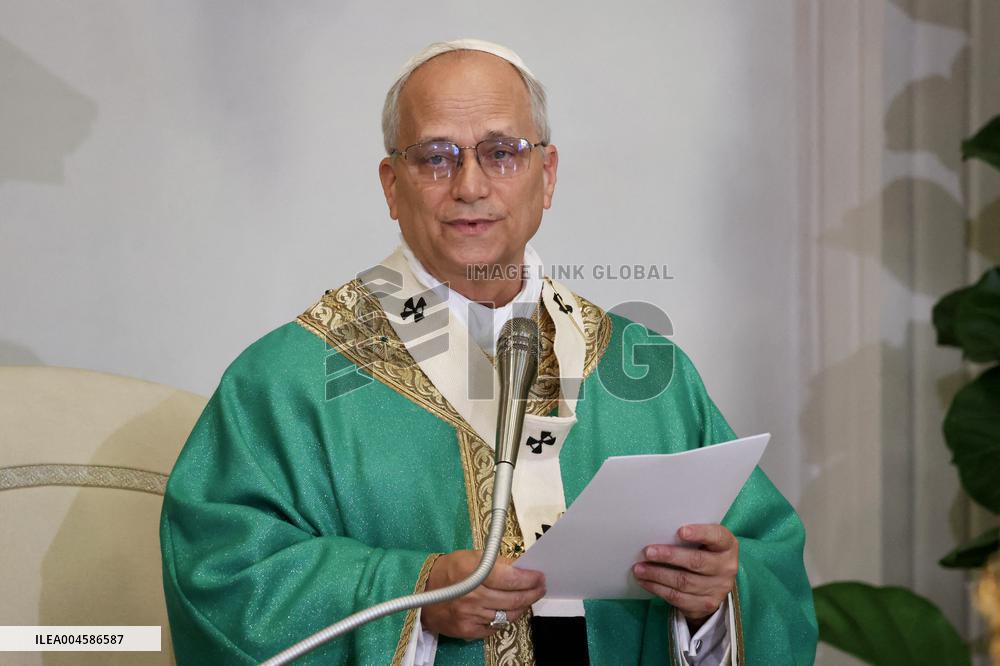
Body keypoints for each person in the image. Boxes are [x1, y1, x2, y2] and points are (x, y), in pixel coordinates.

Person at [160, 39, 818, 665]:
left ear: (547, 175)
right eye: (435, 157)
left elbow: (768, 560)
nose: (470, 185)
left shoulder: (643, 371)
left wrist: (717, 594)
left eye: (502, 152)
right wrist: (413, 593)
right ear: (391, 185)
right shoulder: (287, 381)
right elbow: (219, 577)